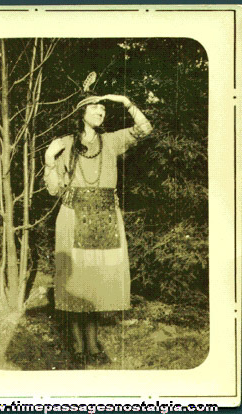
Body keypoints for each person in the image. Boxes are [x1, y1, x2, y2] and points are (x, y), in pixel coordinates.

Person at [44, 92, 152, 368]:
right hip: (73, 216)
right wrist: (48, 159)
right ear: (80, 113)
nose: (101, 111)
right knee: (76, 282)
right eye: (95, 107)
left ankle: (92, 343)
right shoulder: (66, 144)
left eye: (103, 108)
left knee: (94, 283)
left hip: (105, 216)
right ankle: (78, 345)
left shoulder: (113, 140)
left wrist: (126, 102)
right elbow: (54, 189)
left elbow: (145, 128)